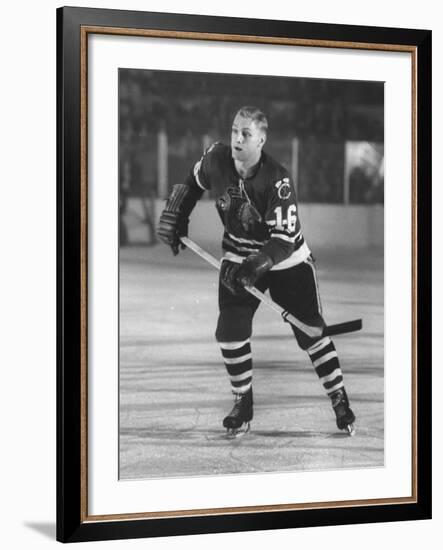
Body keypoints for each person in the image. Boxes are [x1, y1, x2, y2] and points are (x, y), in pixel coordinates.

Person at [157, 106, 355, 437]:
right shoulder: (216, 159)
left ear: (261, 140)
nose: (237, 138)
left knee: (311, 332)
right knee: (230, 329)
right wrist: (178, 214)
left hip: (286, 261)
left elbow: (283, 243)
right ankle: (243, 403)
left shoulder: (277, 180)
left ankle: (338, 396)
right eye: (235, 130)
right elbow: (193, 183)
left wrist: (255, 266)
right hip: (238, 253)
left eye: (245, 134)